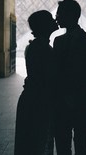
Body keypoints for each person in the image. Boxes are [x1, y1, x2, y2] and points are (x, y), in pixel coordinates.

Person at [53, 0, 86, 155]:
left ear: (70, 15)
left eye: (59, 13)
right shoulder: (57, 41)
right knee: (62, 147)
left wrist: (73, 95)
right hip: (62, 103)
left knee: (82, 147)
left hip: (80, 102)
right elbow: (56, 73)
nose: (56, 17)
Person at [14, 10, 58, 155]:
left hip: (34, 100)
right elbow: (47, 79)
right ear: (44, 25)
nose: (55, 20)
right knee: (38, 143)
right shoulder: (42, 48)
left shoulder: (38, 45)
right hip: (38, 102)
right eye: (51, 18)